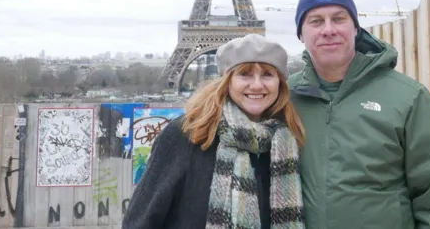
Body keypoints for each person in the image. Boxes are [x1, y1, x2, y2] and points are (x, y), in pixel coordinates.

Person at [288, 0, 430, 228]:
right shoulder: (284, 99)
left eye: (339, 19)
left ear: (356, 30)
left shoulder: (408, 98)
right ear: (301, 34)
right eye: (316, 21)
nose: (328, 29)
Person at [122, 33, 306, 229]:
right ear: (227, 81)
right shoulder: (184, 134)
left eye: (267, 75)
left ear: (280, 83)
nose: (257, 85)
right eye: (245, 74)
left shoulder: (284, 144)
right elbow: (140, 221)